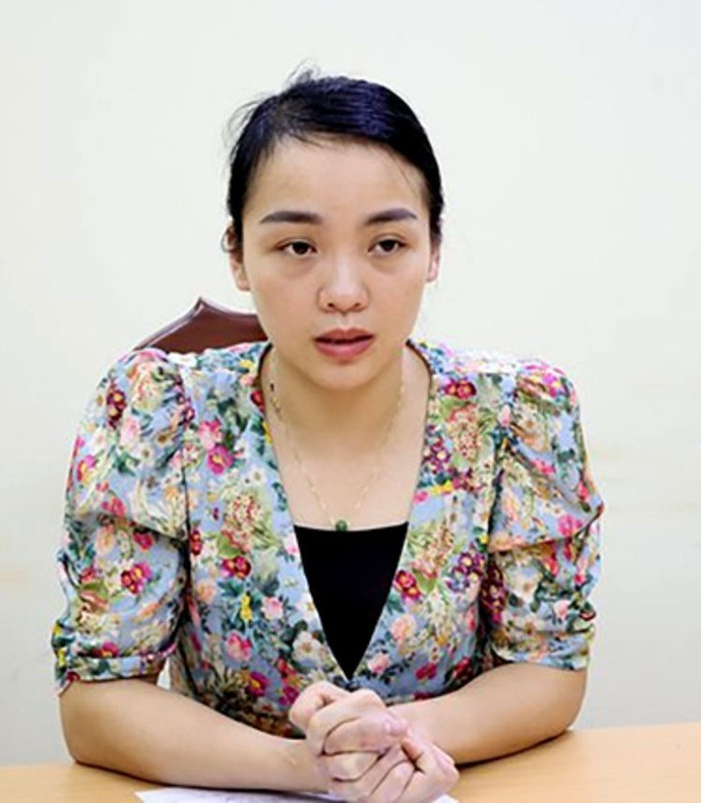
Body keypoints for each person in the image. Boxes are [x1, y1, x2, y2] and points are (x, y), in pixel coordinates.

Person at [51, 72, 604, 803]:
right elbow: (97, 700)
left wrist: (391, 739)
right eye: (297, 246)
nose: (344, 290)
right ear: (237, 254)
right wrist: (309, 768)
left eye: (387, 243)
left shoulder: (517, 414)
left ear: (434, 248)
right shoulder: (161, 414)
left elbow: (548, 668)